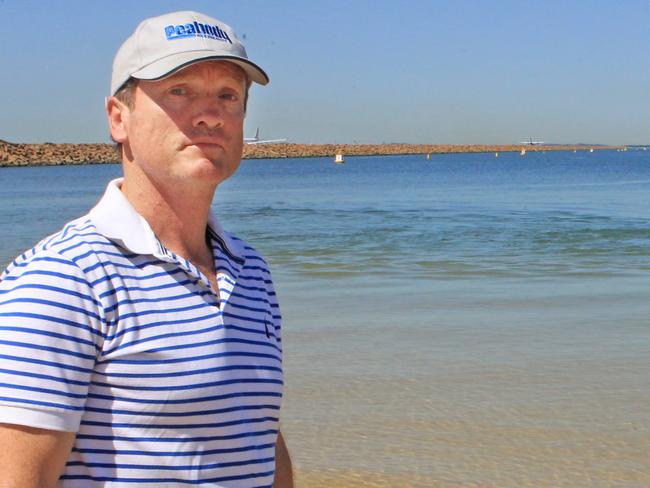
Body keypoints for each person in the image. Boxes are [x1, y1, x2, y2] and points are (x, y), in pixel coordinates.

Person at [0, 10, 292, 487]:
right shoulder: (61, 279)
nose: (209, 114)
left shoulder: (252, 272)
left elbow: (258, 435)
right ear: (119, 117)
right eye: (179, 91)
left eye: (228, 95)